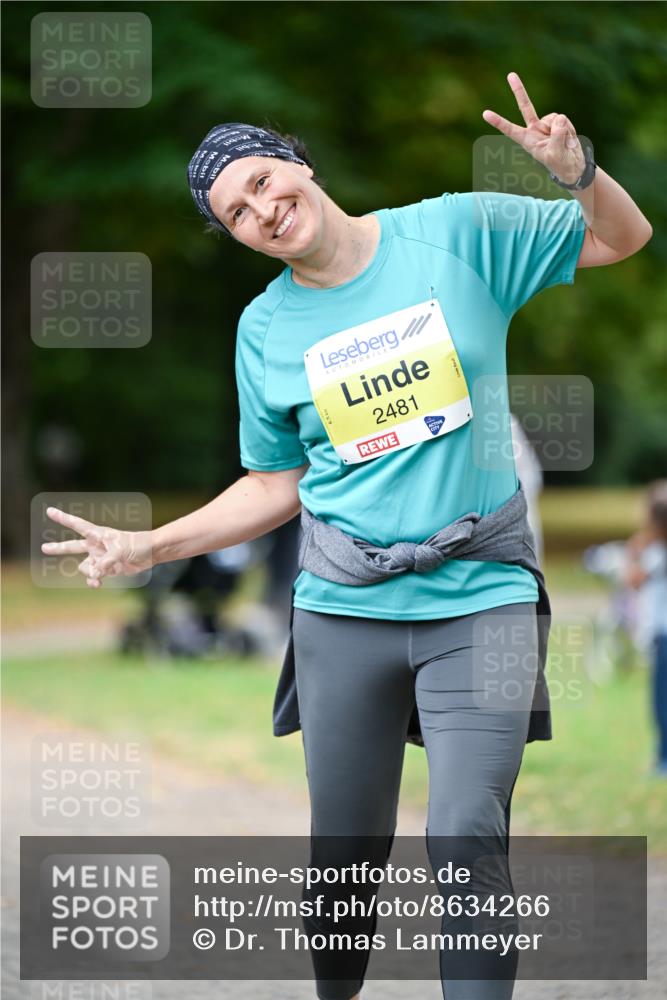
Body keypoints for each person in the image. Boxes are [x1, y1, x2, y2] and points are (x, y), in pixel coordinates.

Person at [42, 72, 652, 999]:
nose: (261, 209)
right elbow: (273, 483)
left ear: (297, 162)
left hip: (478, 594)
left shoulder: (455, 231)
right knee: (343, 867)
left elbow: (622, 236)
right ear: (239, 240)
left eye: (260, 180)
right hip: (341, 612)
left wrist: (578, 172)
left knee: (464, 836)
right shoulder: (264, 331)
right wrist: (151, 545)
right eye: (236, 213)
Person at [623, 480, 667, 777]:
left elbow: (633, 581)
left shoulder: (655, 554)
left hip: (663, 635)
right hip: (659, 635)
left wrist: (635, 552)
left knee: (661, 700)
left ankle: (664, 757)